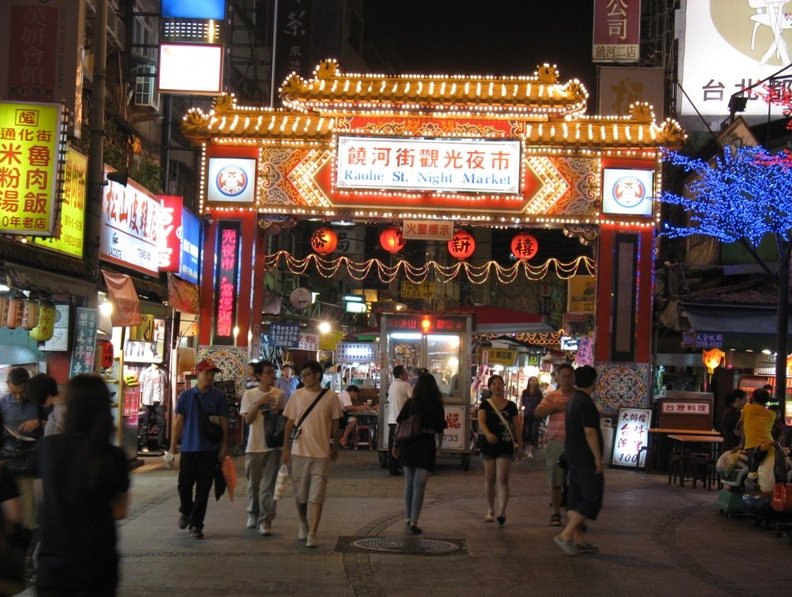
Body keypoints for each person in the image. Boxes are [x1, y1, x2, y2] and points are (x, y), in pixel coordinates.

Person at [32, 374, 130, 594]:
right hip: (98, 565)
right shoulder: (113, 456)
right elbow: (120, 510)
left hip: (54, 566)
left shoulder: (45, 449)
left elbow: (42, 500)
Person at [281, 360, 341, 548]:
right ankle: (303, 523)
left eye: (307, 374)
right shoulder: (297, 395)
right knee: (301, 495)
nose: (304, 378)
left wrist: (336, 446)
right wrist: (285, 448)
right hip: (299, 452)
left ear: (317, 376)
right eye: (302, 375)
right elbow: (289, 423)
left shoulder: (331, 397)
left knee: (317, 494)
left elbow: (336, 424)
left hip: (321, 454)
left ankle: (313, 532)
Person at [169, 359, 228, 540]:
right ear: (198, 373)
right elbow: (178, 422)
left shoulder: (219, 396)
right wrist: (172, 448)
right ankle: (186, 510)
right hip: (188, 449)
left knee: (203, 490)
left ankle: (196, 525)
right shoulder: (186, 396)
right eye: (207, 373)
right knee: (183, 486)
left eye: (213, 374)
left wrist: (223, 449)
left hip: (209, 451)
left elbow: (225, 426)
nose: (210, 377)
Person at [553, 365, 603, 557]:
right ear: (594, 382)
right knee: (591, 498)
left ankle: (579, 540)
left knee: (576, 499)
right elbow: (589, 432)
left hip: (573, 456)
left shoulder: (573, 401)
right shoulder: (586, 403)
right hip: (585, 458)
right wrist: (598, 458)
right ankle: (565, 535)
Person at [394, 371, 447, 535]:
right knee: (420, 486)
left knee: (409, 483)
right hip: (426, 444)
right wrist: (439, 447)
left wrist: (396, 445)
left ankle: (407, 518)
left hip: (409, 444)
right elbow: (440, 429)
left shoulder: (411, 402)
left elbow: (400, 423)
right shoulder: (437, 404)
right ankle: (414, 522)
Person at [239, 361, 286, 536]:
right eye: (267, 373)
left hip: (273, 445)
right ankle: (253, 513)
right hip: (254, 445)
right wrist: (259, 404)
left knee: (269, 485)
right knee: (253, 484)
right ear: (259, 376)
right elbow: (248, 420)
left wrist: (277, 410)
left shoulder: (280, 393)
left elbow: (284, 418)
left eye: (273, 372)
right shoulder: (249, 395)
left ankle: (265, 520)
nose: (271, 376)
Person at [534, 362, 575, 527]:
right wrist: (554, 407)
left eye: (570, 376)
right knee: (556, 480)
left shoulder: (579, 396)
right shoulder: (552, 396)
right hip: (556, 442)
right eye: (563, 376)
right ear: (557, 377)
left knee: (574, 482)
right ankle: (556, 513)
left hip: (575, 444)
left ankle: (574, 516)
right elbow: (537, 412)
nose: (566, 379)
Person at [478, 374, 522, 526]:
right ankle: (490, 510)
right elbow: (481, 422)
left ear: (504, 386)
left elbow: (516, 426)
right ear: (490, 387)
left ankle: (502, 511)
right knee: (490, 478)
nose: (497, 386)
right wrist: (488, 434)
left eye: (500, 383)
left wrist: (520, 445)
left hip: (505, 445)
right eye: (494, 383)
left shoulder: (511, 406)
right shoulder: (485, 404)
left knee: (502, 479)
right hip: (489, 445)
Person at [386, 365, 412, 475]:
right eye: (406, 372)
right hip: (402, 420)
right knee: (403, 444)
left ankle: (393, 468)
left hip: (392, 420)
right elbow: (413, 397)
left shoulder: (392, 385)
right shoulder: (405, 385)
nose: (408, 374)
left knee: (393, 444)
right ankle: (403, 466)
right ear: (401, 374)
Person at [138, 363, 167, 453]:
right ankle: (143, 445)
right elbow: (141, 388)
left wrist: (165, 400)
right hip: (146, 400)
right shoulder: (145, 372)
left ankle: (161, 446)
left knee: (162, 423)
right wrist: (139, 401)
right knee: (144, 423)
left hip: (159, 400)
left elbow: (165, 386)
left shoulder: (163, 373)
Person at [521, 376, 544, 459]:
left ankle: (530, 450)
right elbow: (523, 402)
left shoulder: (539, 393)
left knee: (534, 431)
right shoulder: (525, 392)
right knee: (526, 431)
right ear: (529, 382)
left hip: (536, 415)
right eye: (532, 380)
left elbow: (542, 402)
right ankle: (527, 447)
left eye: (535, 381)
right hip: (527, 414)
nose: (534, 382)